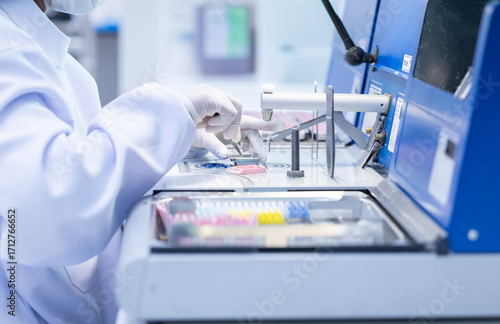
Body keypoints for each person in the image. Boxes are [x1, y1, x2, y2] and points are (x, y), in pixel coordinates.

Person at [0, 0, 284, 323]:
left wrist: (176, 140)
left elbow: (77, 157)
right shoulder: (7, 51)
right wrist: (168, 121)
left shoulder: (40, 51)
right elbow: (45, 207)